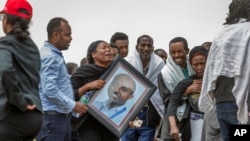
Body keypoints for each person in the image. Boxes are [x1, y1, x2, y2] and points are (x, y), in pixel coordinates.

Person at [199, 0, 250, 140]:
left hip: (221, 105)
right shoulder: (248, 31)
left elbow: (211, 73)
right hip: (242, 106)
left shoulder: (221, 35)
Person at [36, 17, 87, 141]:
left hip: (59, 119)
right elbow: (50, 90)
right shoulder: (50, 57)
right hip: (53, 121)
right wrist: (73, 105)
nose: (71, 38)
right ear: (55, 35)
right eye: (67, 35)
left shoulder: (53, 55)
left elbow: (59, 83)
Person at [0, 0, 43, 140]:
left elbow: (5, 70)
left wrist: (20, 102)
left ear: (7, 19)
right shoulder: (33, 48)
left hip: (12, 114)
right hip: (35, 117)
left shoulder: (5, 43)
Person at [71, 40, 119, 141]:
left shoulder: (117, 72)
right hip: (88, 125)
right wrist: (87, 86)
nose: (108, 50)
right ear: (94, 54)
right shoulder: (83, 72)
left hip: (111, 125)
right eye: (104, 48)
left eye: (109, 48)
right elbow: (70, 95)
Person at [122, 35, 165, 141]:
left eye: (149, 45)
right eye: (143, 45)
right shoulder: (127, 62)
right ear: (137, 47)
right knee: (128, 137)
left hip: (148, 111)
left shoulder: (159, 63)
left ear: (153, 48)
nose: (146, 48)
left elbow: (159, 89)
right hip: (129, 110)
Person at [167, 46, 208, 141]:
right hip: (196, 124)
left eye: (202, 63)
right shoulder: (187, 83)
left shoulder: (217, 80)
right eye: (196, 64)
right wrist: (173, 126)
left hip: (216, 123)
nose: (200, 67)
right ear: (191, 64)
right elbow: (173, 103)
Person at [159, 37, 194, 141]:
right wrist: (186, 92)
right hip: (174, 120)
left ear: (187, 51)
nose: (176, 55)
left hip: (194, 117)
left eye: (179, 51)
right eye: (172, 52)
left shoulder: (194, 66)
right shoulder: (165, 74)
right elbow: (167, 100)